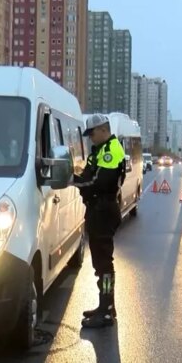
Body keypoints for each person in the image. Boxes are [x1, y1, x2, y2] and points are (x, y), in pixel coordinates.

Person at [73, 114, 126, 329]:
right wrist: (77, 176)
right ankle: (106, 306)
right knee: (100, 263)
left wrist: (72, 181)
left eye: (92, 134)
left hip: (104, 209)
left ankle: (105, 311)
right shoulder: (101, 150)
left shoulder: (111, 151)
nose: (90, 138)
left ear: (104, 130)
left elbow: (99, 182)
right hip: (97, 209)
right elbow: (87, 174)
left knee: (104, 265)